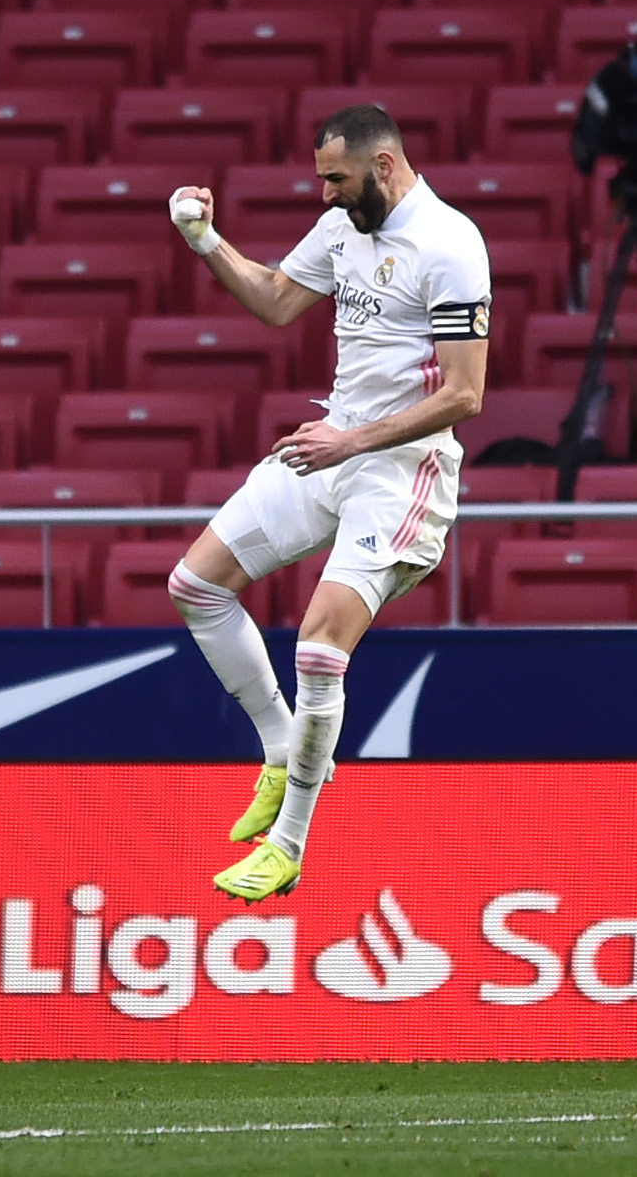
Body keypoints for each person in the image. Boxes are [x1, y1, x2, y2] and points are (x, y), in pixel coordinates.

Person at [161, 105, 491, 903]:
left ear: (382, 166)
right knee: (194, 584)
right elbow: (275, 298)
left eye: (335, 179)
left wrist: (351, 443)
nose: (323, 196)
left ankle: (288, 843)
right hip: (332, 444)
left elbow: (465, 393)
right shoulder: (347, 225)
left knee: (317, 647)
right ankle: (279, 748)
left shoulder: (450, 244)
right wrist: (204, 240)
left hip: (401, 470)